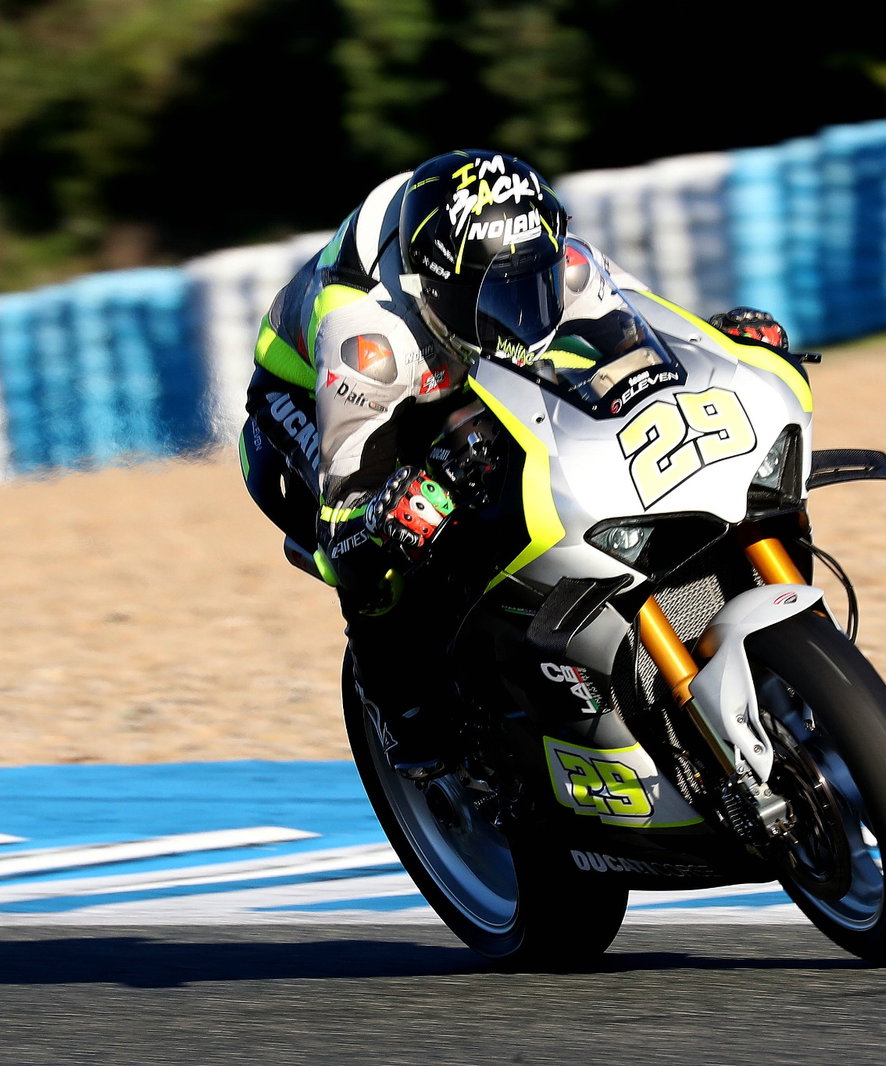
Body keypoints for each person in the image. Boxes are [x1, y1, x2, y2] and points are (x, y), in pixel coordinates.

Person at [239, 147, 790, 779]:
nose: (526, 308)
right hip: (311, 399)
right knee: (379, 555)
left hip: (451, 346)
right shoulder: (369, 341)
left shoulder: (559, 259)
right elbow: (348, 513)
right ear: (438, 287)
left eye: (533, 281)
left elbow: (652, 334)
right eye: (501, 293)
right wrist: (396, 506)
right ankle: (402, 711)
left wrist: (729, 343)